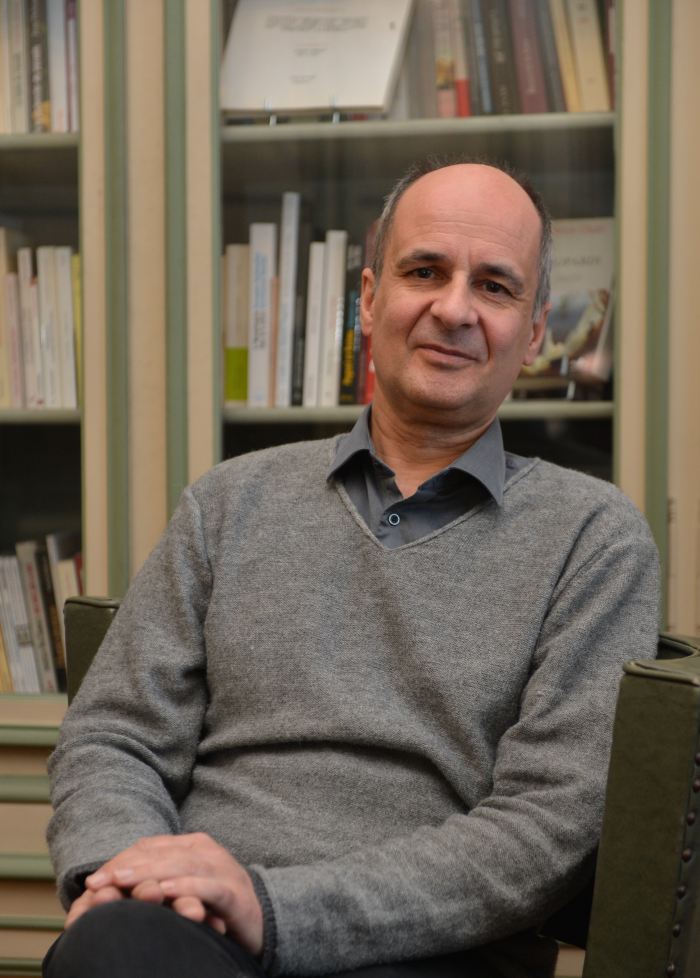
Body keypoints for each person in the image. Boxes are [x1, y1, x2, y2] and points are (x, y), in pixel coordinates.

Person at [44, 159, 659, 978]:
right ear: (369, 299)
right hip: (190, 937)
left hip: (430, 950)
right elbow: (112, 738)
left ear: (536, 331)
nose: (454, 309)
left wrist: (271, 907)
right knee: (115, 948)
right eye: (425, 271)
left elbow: (545, 830)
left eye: (495, 286)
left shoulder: (595, 539)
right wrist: (126, 875)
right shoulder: (227, 503)